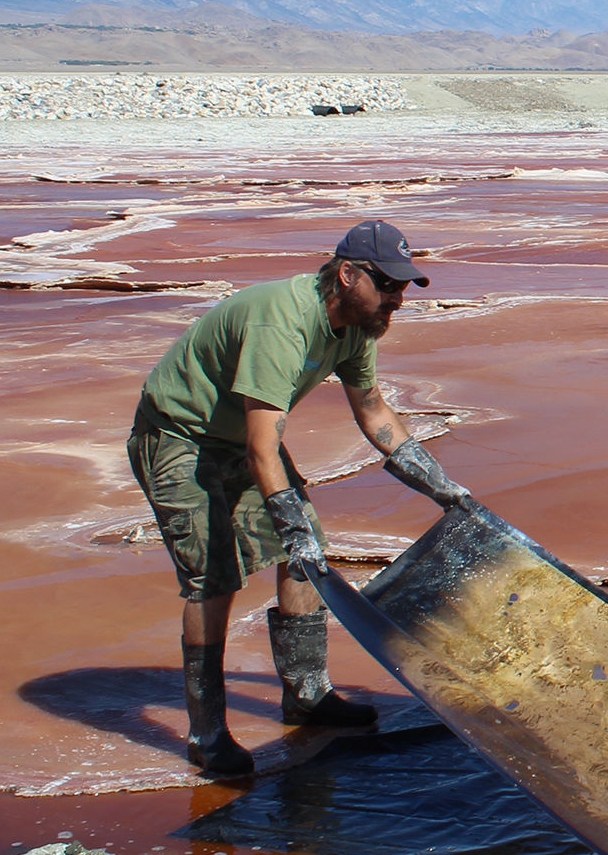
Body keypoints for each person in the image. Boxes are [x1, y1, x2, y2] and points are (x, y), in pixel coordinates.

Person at [127, 219, 473, 775]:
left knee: (305, 553)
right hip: (180, 436)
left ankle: (307, 695)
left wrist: (443, 488)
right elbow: (264, 446)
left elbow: (374, 412)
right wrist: (287, 518)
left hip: (238, 437)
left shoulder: (360, 327)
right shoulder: (281, 324)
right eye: (386, 285)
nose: (397, 300)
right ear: (347, 274)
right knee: (214, 578)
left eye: (403, 287)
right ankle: (207, 732)